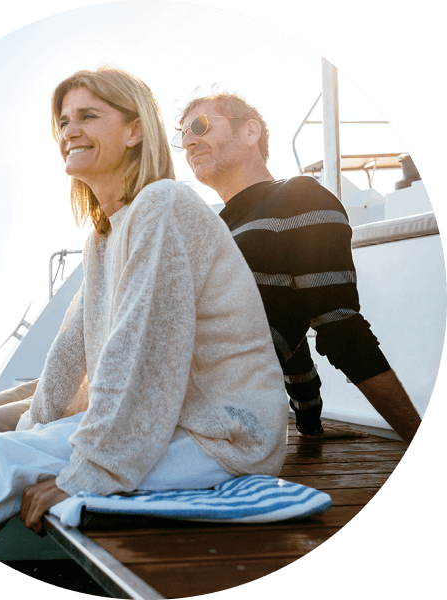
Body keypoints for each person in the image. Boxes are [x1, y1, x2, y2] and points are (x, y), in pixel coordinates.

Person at [0, 68, 289, 547]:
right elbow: (67, 360)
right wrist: (32, 431)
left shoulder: (164, 205)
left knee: (6, 461)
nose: (69, 132)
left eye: (87, 116)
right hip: (175, 426)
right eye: (63, 122)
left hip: (227, 438)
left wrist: (84, 475)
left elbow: (143, 360)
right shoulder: (103, 238)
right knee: (1, 453)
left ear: (134, 130)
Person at [174, 90, 421, 444]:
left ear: (250, 132)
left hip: (207, 422)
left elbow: (339, 327)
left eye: (200, 126)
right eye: (183, 134)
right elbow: (278, 320)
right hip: (174, 404)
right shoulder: (216, 229)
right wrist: (309, 422)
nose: (190, 141)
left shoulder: (299, 198)